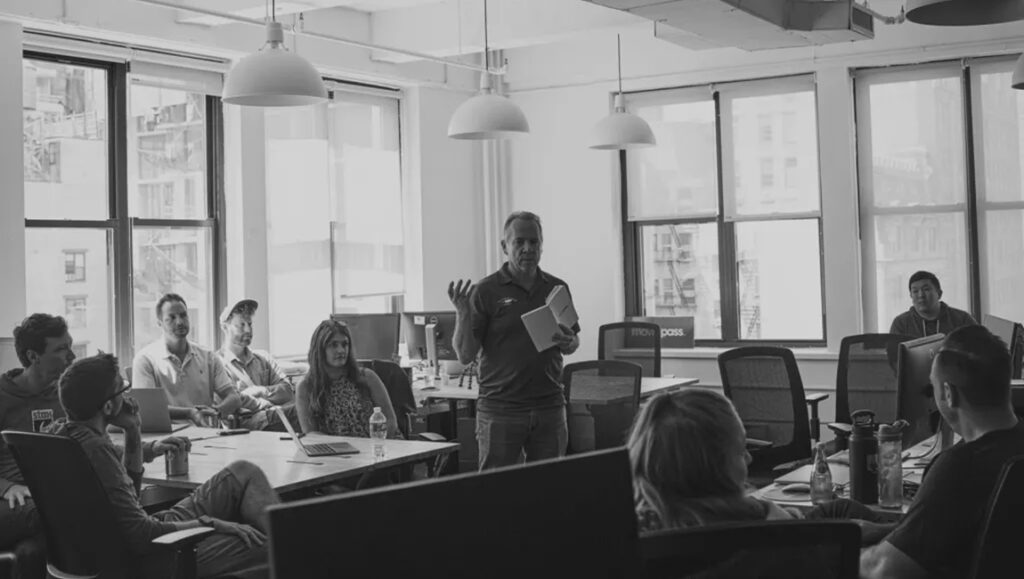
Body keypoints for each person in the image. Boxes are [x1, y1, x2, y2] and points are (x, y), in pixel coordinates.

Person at [52, 353, 279, 579]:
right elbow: (142, 536)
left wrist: (133, 429)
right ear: (109, 407)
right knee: (274, 549)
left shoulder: (63, 436)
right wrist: (211, 524)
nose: (129, 397)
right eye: (123, 390)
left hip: (126, 541)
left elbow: (130, 498)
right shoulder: (96, 450)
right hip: (149, 556)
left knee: (242, 472)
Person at [861, 325, 1024, 579]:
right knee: (841, 514)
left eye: (933, 387)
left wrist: (834, 551)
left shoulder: (961, 467)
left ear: (949, 394)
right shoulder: (1011, 452)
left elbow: (882, 571)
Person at [449, 211, 579, 470]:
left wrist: (569, 342)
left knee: (550, 493)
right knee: (498, 495)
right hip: (501, 409)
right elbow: (465, 355)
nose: (527, 248)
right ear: (504, 247)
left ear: (542, 245)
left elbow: (573, 341)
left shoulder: (556, 287)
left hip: (549, 406)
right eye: (519, 242)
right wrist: (463, 313)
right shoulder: (485, 291)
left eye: (534, 242)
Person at [628, 389, 795, 532]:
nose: (749, 458)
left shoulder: (623, 536)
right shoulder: (766, 534)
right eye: (740, 451)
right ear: (716, 469)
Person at [0, 314, 76, 579]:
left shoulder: (63, 394)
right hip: (9, 498)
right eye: (62, 349)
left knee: (32, 551)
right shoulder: (3, 396)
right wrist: (8, 486)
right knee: (55, 511)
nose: (72, 356)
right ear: (33, 356)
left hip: (46, 497)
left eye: (70, 345)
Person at [133, 293, 242, 427]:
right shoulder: (146, 359)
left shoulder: (208, 356)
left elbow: (234, 397)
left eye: (183, 315)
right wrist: (189, 413)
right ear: (159, 323)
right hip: (168, 438)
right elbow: (147, 409)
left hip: (206, 434)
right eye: (171, 318)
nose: (179, 322)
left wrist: (216, 411)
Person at [295, 319, 400, 438]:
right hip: (337, 452)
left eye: (345, 344)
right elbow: (311, 434)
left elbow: (391, 422)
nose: (341, 350)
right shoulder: (306, 386)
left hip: (380, 448)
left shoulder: (367, 377)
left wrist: (373, 448)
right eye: (333, 345)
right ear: (320, 349)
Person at [216, 298, 300, 432]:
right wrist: (267, 402)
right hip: (244, 427)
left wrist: (261, 391)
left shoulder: (263, 358)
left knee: (307, 406)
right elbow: (232, 401)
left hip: (273, 417)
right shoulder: (218, 363)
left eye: (250, 324)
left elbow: (287, 391)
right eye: (241, 325)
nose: (248, 330)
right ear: (225, 327)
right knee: (303, 409)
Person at [890, 271, 976, 339]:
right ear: (911, 296)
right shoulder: (901, 323)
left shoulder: (962, 320)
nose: (921, 295)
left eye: (926, 289)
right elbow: (894, 358)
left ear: (939, 293)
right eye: (915, 291)